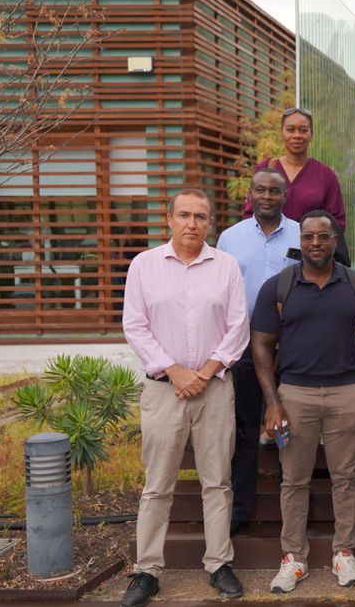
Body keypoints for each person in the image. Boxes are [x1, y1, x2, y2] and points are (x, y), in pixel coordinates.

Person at [121, 187, 249, 607]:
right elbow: (135, 325)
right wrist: (175, 371)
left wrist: (206, 371)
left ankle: (218, 564)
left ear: (210, 222)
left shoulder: (226, 266)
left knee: (218, 482)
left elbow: (238, 328)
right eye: (184, 215)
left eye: (200, 216)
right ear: (169, 219)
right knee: (157, 485)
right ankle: (147, 571)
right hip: (164, 391)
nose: (192, 223)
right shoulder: (144, 265)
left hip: (214, 390)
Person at [250, 211, 355, 594]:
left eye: (324, 236)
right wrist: (273, 401)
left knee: (346, 479)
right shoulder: (279, 287)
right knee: (294, 480)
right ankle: (294, 558)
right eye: (309, 237)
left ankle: (344, 553)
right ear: (300, 240)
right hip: (295, 396)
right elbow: (261, 346)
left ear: (335, 241)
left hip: (346, 394)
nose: (316, 243)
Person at [216, 169, 301, 537]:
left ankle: (292, 511)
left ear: (285, 195)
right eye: (261, 190)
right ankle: (241, 511)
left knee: (293, 429)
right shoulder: (230, 238)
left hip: (294, 346)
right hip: (245, 347)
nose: (267, 196)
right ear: (250, 194)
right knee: (247, 431)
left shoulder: (302, 234)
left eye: (275, 191)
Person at [242, 107, 351, 265]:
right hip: (267, 254)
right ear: (282, 133)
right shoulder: (265, 169)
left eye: (303, 130)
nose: (297, 135)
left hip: (311, 259)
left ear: (311, 135)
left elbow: (337, 223)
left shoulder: (326, 175)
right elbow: (250, 214)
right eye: (290, 129)